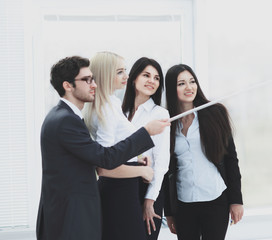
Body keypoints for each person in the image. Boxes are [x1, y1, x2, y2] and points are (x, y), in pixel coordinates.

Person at [36, 56, 170, 240]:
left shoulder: (66, 116)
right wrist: (146, 133)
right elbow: (104, 160)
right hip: (71, 214)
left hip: (74, 209)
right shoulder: (66, 120)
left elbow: (88, 157)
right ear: (68, 85)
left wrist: (136, 161)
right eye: (87, 80)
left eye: (93, 78)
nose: (94, 84)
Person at [83, 53, 169, 240]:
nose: (126, 76)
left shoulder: (112, 104)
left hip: (126, 189)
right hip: (119, 190)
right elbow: (105, 164)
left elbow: (117, 150)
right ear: (106, 74)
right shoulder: (109, 106)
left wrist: (137, 159)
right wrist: (142, 171)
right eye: (120, 72)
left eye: (156, 78)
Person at [163, 64, 244, 240]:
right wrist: (168, 212)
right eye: (181, 83)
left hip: (215, 199)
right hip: (184, 203)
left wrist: (236, 200)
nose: (189, 87)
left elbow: (231, 158)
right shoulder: (166, 123)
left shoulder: (215, 113)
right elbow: (165, 169)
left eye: (192, 81)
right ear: (171, 88)